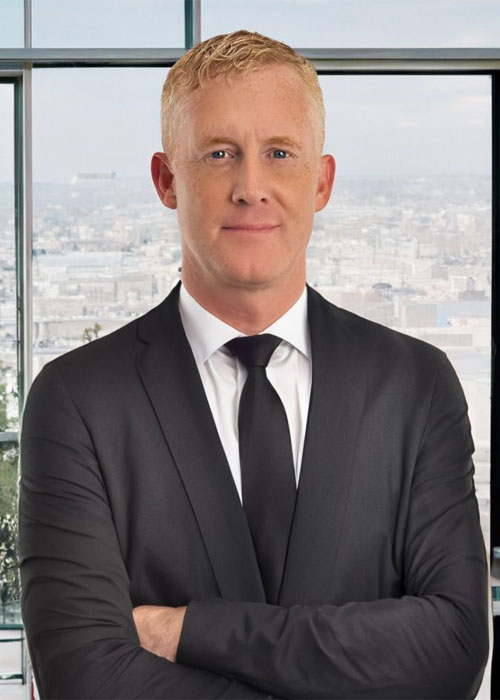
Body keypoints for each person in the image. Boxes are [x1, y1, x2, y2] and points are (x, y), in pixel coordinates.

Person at [19, 30, 489, 699]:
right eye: (219, 154)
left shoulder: (416, 386)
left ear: (321, 181)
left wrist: (190, 630)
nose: (251, 187)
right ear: (167, 180)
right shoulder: (79, 400)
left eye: (279, 153)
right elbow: (83, 679)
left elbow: (454, 650)